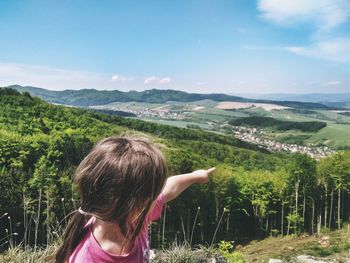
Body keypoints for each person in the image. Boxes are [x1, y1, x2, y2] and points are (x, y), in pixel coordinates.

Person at [55, 136, 215, 263]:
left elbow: (170, 188)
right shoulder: (87, 258)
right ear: (135, 203)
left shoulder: (134, 216)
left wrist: (196, 176)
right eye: (154, 193)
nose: (158, 195)